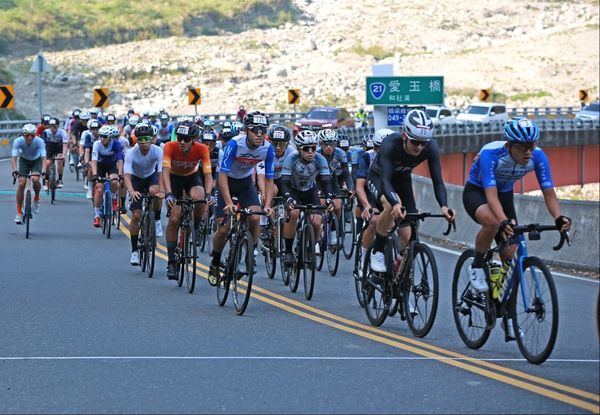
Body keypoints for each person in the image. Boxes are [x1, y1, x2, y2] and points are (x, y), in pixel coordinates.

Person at [463, 118, 572, 295]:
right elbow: (491, 196)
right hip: (478, 192)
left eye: (531, 146)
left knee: (510, 253)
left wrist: (558, 217)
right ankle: (476, 266)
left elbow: (549, 192)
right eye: (522, 147)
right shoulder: (490, 154)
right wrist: (503, 221)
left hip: (504, 195)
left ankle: (496, 293)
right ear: (508, 146)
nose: (528, 152)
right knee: (493, 223)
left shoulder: (537, 156)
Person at [366, 109, 455, 272]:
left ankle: (397, 269)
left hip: (402, 181)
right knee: (390, 206)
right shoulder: (390, 144)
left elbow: (438, 181)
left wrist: (444, 205)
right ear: (405, 136)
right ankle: (377, 251)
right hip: (379, 178)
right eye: (415, 142)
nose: (420, 147)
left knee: (406, 235)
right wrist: (395, 203)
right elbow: (386, 180)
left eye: (424, 142)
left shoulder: (431, 147)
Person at [207, 111, 275, 285]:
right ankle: (215, 262)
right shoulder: (234, 144)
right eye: (255, 130)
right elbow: (222, 176)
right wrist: (228, 203)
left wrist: (267, 204)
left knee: (254, 217)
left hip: (244, 183)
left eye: (263, 130)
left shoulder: (268, 148)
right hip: (226, 182)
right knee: (224, 228)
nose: (259, 134)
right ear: (246, 130)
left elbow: (268, 179)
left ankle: (249, 255)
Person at [162, 120, 213, 280]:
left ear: (194, 139)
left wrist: (209, 193)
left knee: (199, 198)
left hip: (192, 177)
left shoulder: (202, 149)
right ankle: (171, 261)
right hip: (174, 179)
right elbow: (165, 172)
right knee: (175, 219)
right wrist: (169, 193)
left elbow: (208, 175)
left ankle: (196, 228)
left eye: (186, 139)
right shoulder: (169, 146)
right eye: (180, 138)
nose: (182, 142)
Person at [279, 130, 333, 267]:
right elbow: (284, 182)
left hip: (310, 191)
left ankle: (310, 248)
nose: (310, 152)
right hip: (293, 190)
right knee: (293, 214)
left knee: (317, 221)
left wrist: (329, 199)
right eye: (306, 149)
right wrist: (288, 199)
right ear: (298, 149)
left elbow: (326, 181)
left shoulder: (320, 159)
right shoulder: (291, 159)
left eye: (313, 148)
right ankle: (289, 251)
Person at [124, 124, 164, 265]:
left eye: (147, 139)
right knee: (136, 215)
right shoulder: (131, 152)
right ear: (137, 140)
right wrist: (131, 191)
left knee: (156, 192)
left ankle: (157, 220)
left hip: (151, 177)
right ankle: (134, 251)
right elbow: (127, 175)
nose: (144, 142)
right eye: (140, 139)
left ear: (152, 139)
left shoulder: (158, 150)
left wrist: (163, 190)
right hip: (136, 179)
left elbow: (160, 173)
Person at [354, 128, 394, 274]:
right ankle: (363, 259)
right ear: (375, 147)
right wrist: (366, 206)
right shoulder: (367, 157)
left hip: (388, 190)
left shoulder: (398, 158)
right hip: (370, 191)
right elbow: (359, 186)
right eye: (381, 149)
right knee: (374, 221)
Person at [316, 128, 354, 245]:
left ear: (335, 144)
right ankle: (318, 234)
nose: (328, 147)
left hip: (332, 179)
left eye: (331, 144)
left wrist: (351, 188)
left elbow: (346, 173)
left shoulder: (340, 153)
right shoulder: (316, 154)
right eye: (325, 144)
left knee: (337, 205)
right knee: (321, 204)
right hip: (317, 180)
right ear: (320, 144)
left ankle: (333, 230)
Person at [11, 124, 46, 223]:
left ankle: (37, 196)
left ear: (35, 135)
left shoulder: (40, 141)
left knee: (35, 179)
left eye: (32, 135)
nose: (30, 137)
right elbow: (14, 157)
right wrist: (14, 169)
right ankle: (18, 212)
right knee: (22, 183)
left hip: (36, 161)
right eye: (27, 135)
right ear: (23, 135)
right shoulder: (18, 141)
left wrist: (43, 170)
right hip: (24, 161)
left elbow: (43, 157)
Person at [91, 125, 124, 227]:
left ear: (109, 137)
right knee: (99, 189)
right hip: (100, 166)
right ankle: (97, 216)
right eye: (100, 136)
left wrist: (120, 174)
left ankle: (114, 199)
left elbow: (120, 160)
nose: (101, 138)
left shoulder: (116, 144)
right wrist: (95, 175)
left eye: (104, 137)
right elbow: (94, 160)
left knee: (114, 181)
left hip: (111, 166)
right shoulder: (97, 144)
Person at [41, 117, 68, 189]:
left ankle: (59, 179)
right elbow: (43, 145)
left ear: (58, 126)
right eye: (51, 126)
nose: (52, 128)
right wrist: (43, 156)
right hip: (49, 147)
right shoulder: (45, 132)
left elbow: (65, 145)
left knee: (60, 161)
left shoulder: (62, 132)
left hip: (59, 147)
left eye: (54, 126)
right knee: (47, 163)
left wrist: (64, 155)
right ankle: (46, 180)